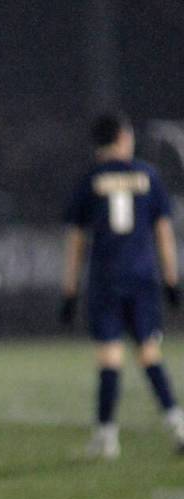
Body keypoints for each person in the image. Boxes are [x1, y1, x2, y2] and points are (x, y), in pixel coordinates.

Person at [61, 113, 184, 458]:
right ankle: (178, 425)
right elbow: (163, 233)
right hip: (143, 277)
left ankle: (106, 437)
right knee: (149, 352)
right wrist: (171, 280)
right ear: (121, 137)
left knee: (110, 357)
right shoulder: (148, 175)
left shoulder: (90, 180)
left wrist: (69, 290)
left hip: (107, 278)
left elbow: (75, 239)